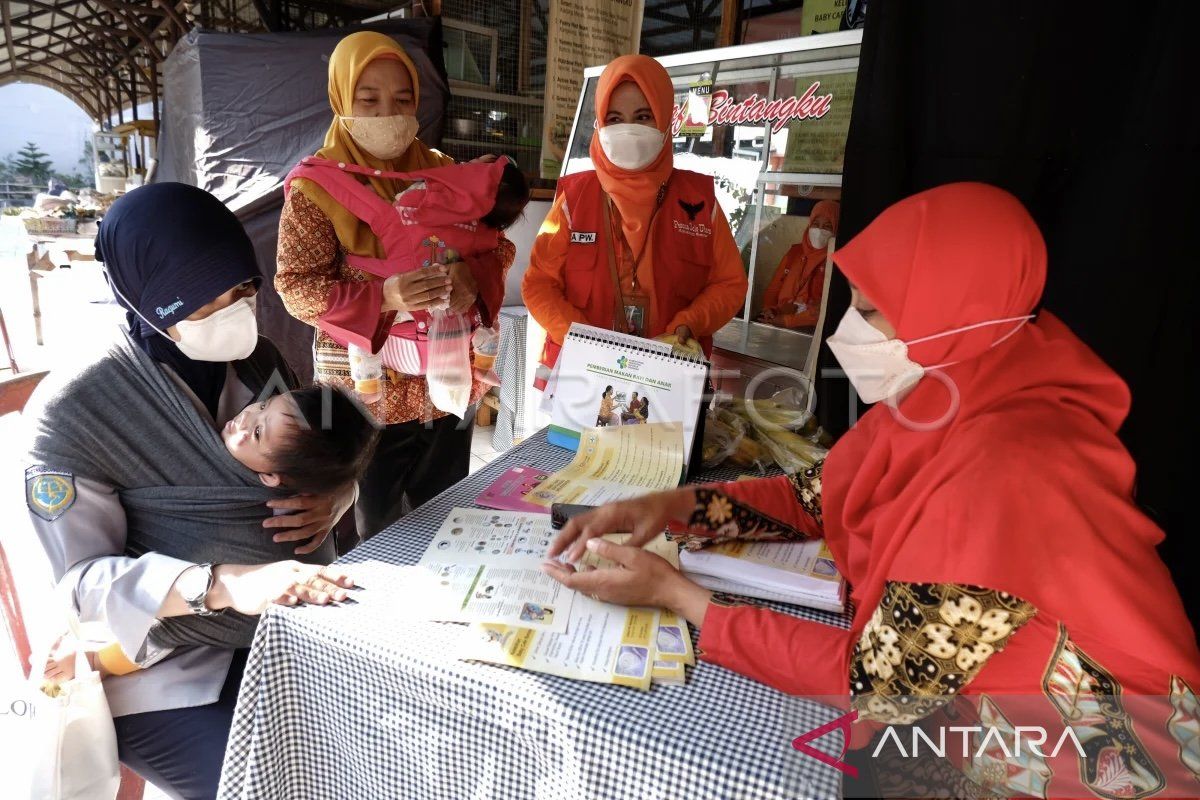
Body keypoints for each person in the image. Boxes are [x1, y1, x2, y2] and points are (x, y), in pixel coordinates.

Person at [543, 183, 1200, 798]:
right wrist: (670, 507)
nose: (846, 328)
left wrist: (678, 597)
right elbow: (811, 498)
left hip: (1104, 760)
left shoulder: (1007, 471)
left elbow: (879, 686)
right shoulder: (952, 389)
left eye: (872, 309)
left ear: (952, 308)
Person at [23, 183, 359, 800]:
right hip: (156, 667)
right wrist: (225, 582)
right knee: (282, 787)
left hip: (280, 630)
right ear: (145, 297)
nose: (232, 311)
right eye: (203, 302)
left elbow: (338, 432)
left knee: (385, 746)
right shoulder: (77, 410)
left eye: (242, 290)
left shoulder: (261, 360)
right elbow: (82, 586)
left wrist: (337, 495)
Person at [275, 31, 515, 539]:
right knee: (373, 519)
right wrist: (384, 295)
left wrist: (475, 275)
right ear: (341, 99)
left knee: (447, 504)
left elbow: (496, 246)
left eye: (403, 99)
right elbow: (295, 287)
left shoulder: (446, 173)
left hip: (446, 378)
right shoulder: (315, 187)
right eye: (369, 99)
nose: (388, 113)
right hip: (369, 389)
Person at [522, 54, 747, 388]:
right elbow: (538, 284)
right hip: (580, 379)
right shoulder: (575, 197)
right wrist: (581, 337)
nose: (628, 129)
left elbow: (730, 284)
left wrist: (691, 321)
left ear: (663, 119)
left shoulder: (699, 202)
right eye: (614, 118)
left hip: (667, 382)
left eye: (643, 116)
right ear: (599, 123)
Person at [756, 200, 839, 329]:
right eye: (815, 224)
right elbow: (774, 288)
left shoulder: (837, 261)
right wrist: (770, 310)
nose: (819, 231)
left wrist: (788, 321)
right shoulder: (795, 252)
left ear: (836, 230)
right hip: (778, 320)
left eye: (827, 226)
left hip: (811, 331)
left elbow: (827, 309)